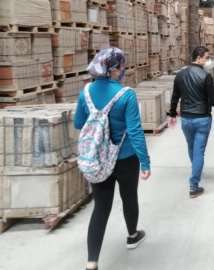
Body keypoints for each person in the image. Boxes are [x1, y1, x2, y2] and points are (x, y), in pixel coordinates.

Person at [74, 47, 151, 270]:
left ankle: (92, 262)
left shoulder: (86, 91)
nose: (124, 69)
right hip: (126, 158)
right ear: (116, 68)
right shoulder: (126, 94)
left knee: (100, 207)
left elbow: (79, 123)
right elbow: (135, 131)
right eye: (122, 66)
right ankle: (133, 236)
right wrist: (145, 162)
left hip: (98, 159)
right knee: (129, 197)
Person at [168, 46, 214, 198]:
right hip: (202, 119)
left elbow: (175, 97)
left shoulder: (180, 75)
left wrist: (172, 115)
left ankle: (196, 168)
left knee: (192, 147)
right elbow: (213, 98)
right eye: (207, 57)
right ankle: (194, 186)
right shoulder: (205, 76)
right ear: (198, 58)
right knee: (199, 151)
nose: (208, 60)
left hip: (186, 119)